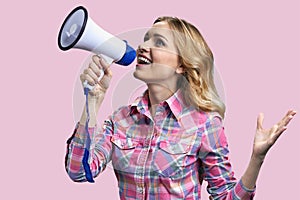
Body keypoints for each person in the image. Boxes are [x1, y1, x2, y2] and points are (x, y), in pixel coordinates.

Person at [65, 16, 296, 199]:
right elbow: (78, 172)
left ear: (182, 66)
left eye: (159, 42)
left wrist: (257, 158)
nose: (143, 46)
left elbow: (224, 197)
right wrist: (91, 103)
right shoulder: (121, 120)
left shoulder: (204, 123)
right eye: (146, 38)